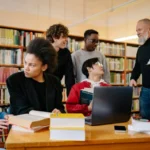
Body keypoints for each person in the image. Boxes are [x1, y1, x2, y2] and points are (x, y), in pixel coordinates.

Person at [6, 38, 65, 115]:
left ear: (44, 67)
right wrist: (46, 115)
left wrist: (59, 111)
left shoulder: (55, 82)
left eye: (32, 65)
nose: (26, 68)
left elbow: (60, 107)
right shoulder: (14, 80)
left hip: (49, 124)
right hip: (23, 124)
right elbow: (21, 109)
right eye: (25, 62)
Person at [46, 24, 75, 96]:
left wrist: (71, 97)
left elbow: (69, 76)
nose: (66, 39)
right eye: (63, 37)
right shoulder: (42, 51)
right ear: (54, 37)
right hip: (41, 89)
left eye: (66, 37)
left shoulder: (66, 53)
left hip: (56, 90)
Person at [130, 18, 150, 120]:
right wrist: (133, 78)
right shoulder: (141, 49)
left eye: (140, 30)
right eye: (137, 30)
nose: (137, 33)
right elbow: (137, 66)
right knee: (145, 118)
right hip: (146, 90)